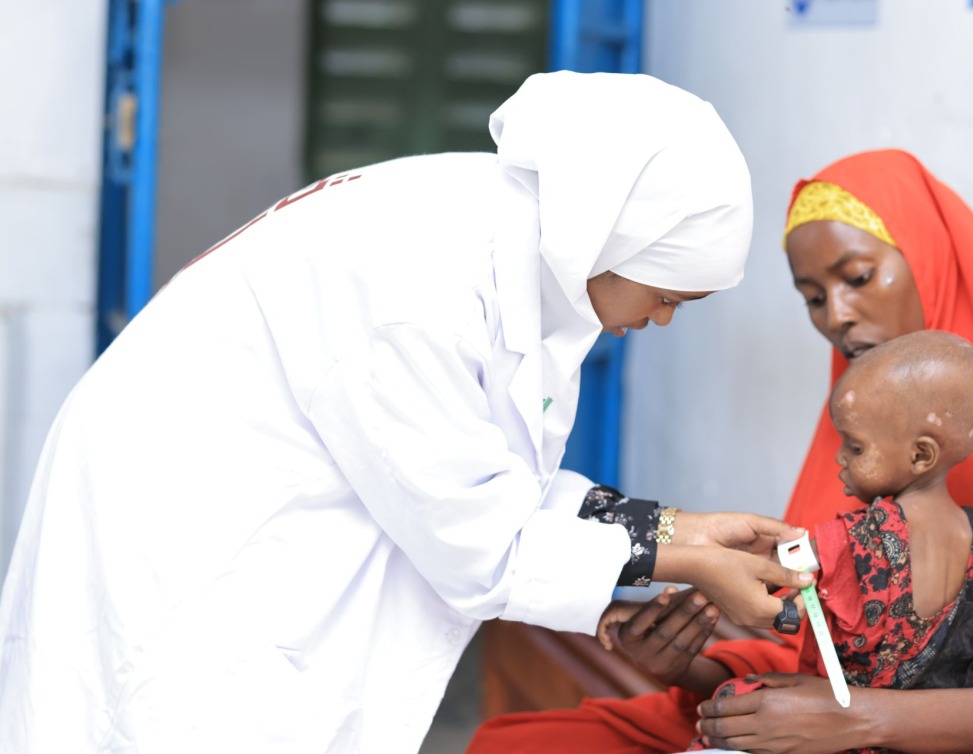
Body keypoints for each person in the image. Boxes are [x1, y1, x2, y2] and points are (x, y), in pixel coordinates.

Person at [0, 71, 820, 754]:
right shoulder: (418, 284)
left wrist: (683, 528)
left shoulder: (502, 238)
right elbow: (478, 538)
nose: (665, 318)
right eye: (669, 294)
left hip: (248, 502)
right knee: (185, 718)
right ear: (616, 238)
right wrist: (686, 560)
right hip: (188, 535)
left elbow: (489, 474)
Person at [466, 149, 973, 753]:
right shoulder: (862, 397)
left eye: (859, 277)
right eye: (813, 297)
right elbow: (821, 650)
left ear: (926, 257)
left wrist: (866, 718)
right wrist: (688, 665)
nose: (836, 316)